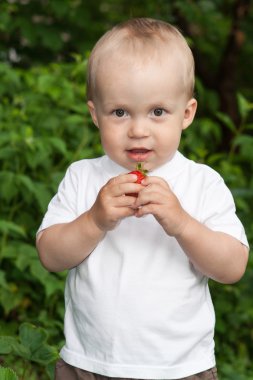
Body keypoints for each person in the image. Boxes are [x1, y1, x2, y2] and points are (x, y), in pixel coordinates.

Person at [36, 18, 249, 380]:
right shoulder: (83, 177)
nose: (137, 129)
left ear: (186, 114)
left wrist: (182, 223)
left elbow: (232, 267)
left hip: (179, 369)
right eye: (119, 112)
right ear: (95, 115)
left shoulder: (201, 182)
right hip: (90, 364)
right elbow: (50, 256)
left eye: (157, 112)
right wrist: (95, 220)